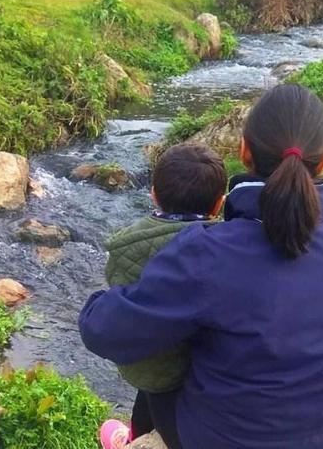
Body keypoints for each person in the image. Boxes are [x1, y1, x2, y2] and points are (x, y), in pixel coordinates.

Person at [80, 84, 323, 449]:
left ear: (244, 151)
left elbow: (105, 332)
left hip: (224, 439)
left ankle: (134, 440)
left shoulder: (208, 252)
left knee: (160, 371)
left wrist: (99, 300)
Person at [102, 143, 227, 444]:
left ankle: (135, 438)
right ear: (219, 204)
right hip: (208, 369)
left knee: (154, 389)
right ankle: (139, 436)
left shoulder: (125, 245)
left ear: (154, 193)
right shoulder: (227, 245)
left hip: (152, 367)